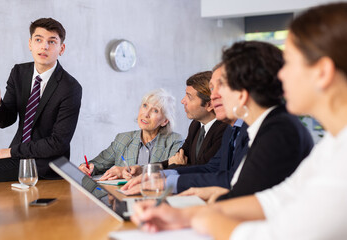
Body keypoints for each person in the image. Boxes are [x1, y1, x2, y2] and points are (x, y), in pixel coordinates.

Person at [132, 3, 347, 239]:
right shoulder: (332, 145)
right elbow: (278, 198)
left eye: (290, 63)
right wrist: (189, 215)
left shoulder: (288, 132)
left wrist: (203, 216)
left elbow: (278, 234)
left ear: (322, 72)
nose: (281, 74)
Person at [0, 18, 82, 182]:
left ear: (62, 48)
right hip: (18, 157)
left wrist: (10, 152)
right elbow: (6, 121)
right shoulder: (19, 72)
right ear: (30, 44)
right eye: (38, 40)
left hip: (47, 164)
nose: (44, 46)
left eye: (51, 42)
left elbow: (58, 143)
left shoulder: (70, 87)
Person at [121, 65, 250, 195]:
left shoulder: (228, 128)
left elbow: (221, 175)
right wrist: (154, 173)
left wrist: (167, 178)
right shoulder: (200, 126)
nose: (183, 101)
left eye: (189, 96)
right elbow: (210, 168)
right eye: (212, 89)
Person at [121, 71, 228, 179]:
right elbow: (177, 159)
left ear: (209, 105)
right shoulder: (196, 125)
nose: (182, 101)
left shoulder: (224, 130)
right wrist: (143, 170)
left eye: (189, 97)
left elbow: (202, 170)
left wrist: (179, 165)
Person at [78, 89, 183, 180]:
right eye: (145, 106)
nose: (146, 114)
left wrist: (126, 171)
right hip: (122, 196)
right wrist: (88, 167)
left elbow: (171, 173)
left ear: (164, 121)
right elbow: (98, 164)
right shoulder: (123, 139)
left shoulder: (174, 141)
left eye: (155, 110)